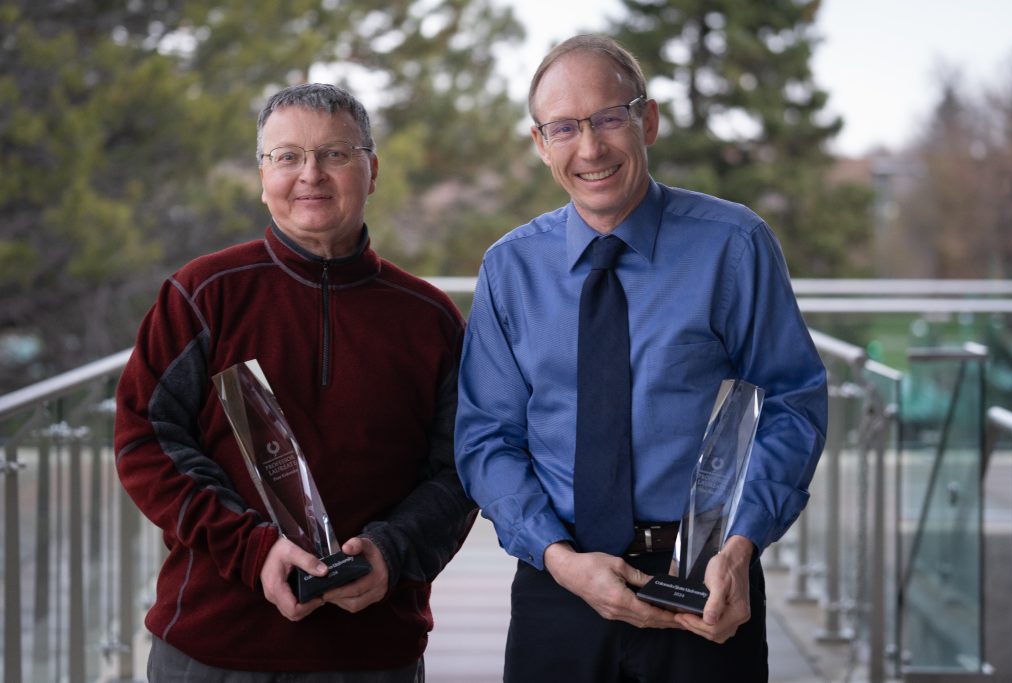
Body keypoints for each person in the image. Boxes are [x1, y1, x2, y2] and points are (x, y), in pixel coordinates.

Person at [454, 35, 828, 682]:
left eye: (607, 118)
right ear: (541, 144)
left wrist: (740, 547)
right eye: (565, 128)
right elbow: (487, 437)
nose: (590, 147)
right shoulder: (510, 269)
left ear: (646, 120)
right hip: (558, 584)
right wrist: (561, 558)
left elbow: (792, 403)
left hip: (705, 579)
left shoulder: (734, 246)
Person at [115, 83, 476, 682]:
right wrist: (253, 550)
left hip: (373, 647)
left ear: (372, 170)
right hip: (212, 645)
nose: (311, 174)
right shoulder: (202, 295)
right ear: (263, 175)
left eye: (335, 154)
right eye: (287, 156)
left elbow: (461, 470)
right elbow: (144, 442)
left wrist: (392, 552)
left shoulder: (429, 317)